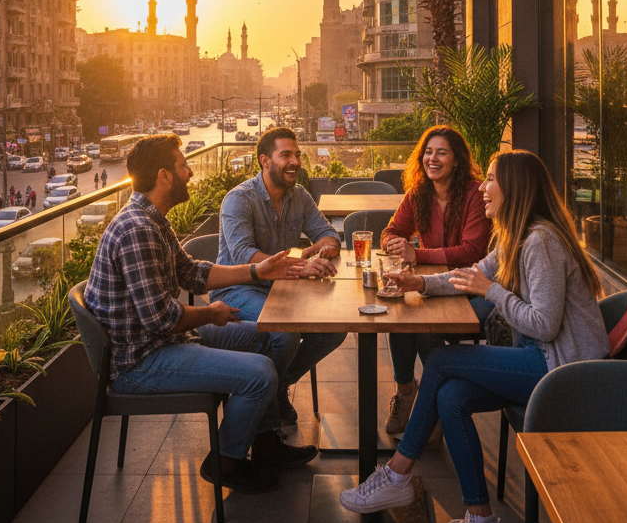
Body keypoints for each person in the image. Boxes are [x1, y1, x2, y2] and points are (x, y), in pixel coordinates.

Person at [340, 149, 609, 523]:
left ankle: (397, 473)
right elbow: (471, 275)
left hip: (563, 372)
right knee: (451, 396)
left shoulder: (541, 242)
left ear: (514, 188)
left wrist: (492, 292)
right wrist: (420, 283)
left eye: (492, 180)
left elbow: (544, 325)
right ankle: (481, 520)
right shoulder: (516, 235)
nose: (483, 187)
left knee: (441, 362)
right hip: (539, 359)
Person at [85, 134, 333, 493]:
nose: (189, 172)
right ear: (164, 176)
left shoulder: (152, 219)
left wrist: (256, 272)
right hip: (140, 361)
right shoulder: (138, 229)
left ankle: (265, 444)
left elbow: (193, 273)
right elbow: (162, 319)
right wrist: (210, 313)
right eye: (183, 166)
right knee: (261, 373)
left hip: (164, 340)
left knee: (268, 334)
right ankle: (226, 461)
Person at [211, 127, 348, 426]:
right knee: (284, 333)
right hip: (238, 288)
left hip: (284, 288)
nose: (295, 162)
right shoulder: (239, 199)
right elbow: (244, 255)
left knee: (335, 330)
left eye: (297, 155)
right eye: (285, 155)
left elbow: (328, 235)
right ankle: (269, 408)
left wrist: (316, 251)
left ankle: (274, 389)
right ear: (265, 161)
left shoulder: (299, 196)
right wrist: (300, 265)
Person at [378, 125, 490, 437]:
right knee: (398, 317)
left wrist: (419, 255)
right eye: (428, 152)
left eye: (442, 152)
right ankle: (406, 391)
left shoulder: (474, 194)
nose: (433, 158)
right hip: (431, 284)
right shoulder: (419, 193)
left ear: (457, 160)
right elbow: (392, 230)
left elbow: (471, 251)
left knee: (424, 330)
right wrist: (394, 244)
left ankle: (436, 401)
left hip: (468, 285)